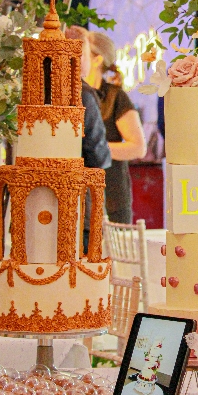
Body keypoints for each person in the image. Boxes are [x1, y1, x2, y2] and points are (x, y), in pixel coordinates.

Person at [87, 31, 147, 224]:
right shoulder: (70, 94)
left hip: (111, 193)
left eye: (81, 51)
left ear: (97, 60)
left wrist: (95, 149)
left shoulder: (115, 97)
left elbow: (138, 147)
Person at [65, 26, 111, 253]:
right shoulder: (82, 93)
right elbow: (96, 151)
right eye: (85, 54)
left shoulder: (40, 88)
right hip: (79, 200)